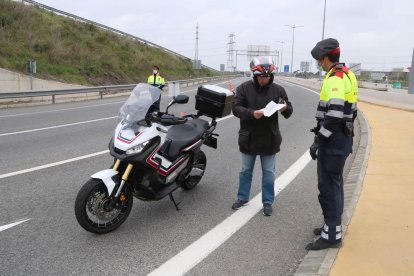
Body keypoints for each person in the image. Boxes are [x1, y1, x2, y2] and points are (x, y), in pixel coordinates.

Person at [306, 38, 358, 250]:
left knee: (328, 187)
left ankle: (332, 237)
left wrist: (318, 140)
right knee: (335, 184)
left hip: (334, 140)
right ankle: (332, 225)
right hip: (342, 138)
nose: (318, 63)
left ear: (326, 57)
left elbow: (334, 115)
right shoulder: (347, 72)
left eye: (319, 59)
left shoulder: (335, 78)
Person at [231, 56, 293, 216]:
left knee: (269, 173)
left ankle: (267, 201)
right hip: (248, 137)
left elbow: (289, 111)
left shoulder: (278, 90)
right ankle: (242, 198)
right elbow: (236, 109)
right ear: (254, 75)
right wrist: (252, 113)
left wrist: (284, 108)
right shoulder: (243, 88)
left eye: (267, 76)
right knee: (245, 171)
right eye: (261, 77)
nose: (264, 79)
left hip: (269, 138)